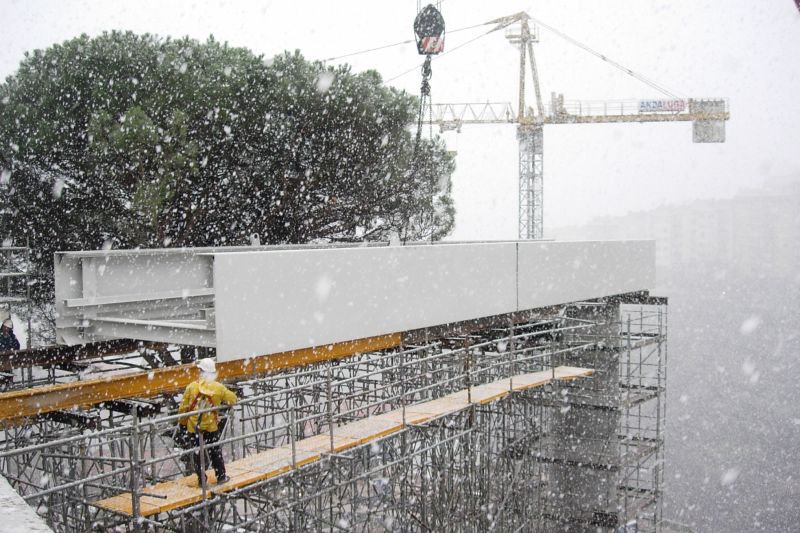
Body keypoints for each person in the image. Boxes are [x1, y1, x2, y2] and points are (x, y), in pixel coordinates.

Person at [178, 358, 237, 486]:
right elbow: (233, 399)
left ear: (201, 371)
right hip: (210, 425)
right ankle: (221, 476)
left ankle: (202, 480)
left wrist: (183, 423)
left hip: (194, 427)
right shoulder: (218, 388)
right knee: (215, 451)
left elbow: (183, 409)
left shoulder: (192, 387)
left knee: (197, 454)